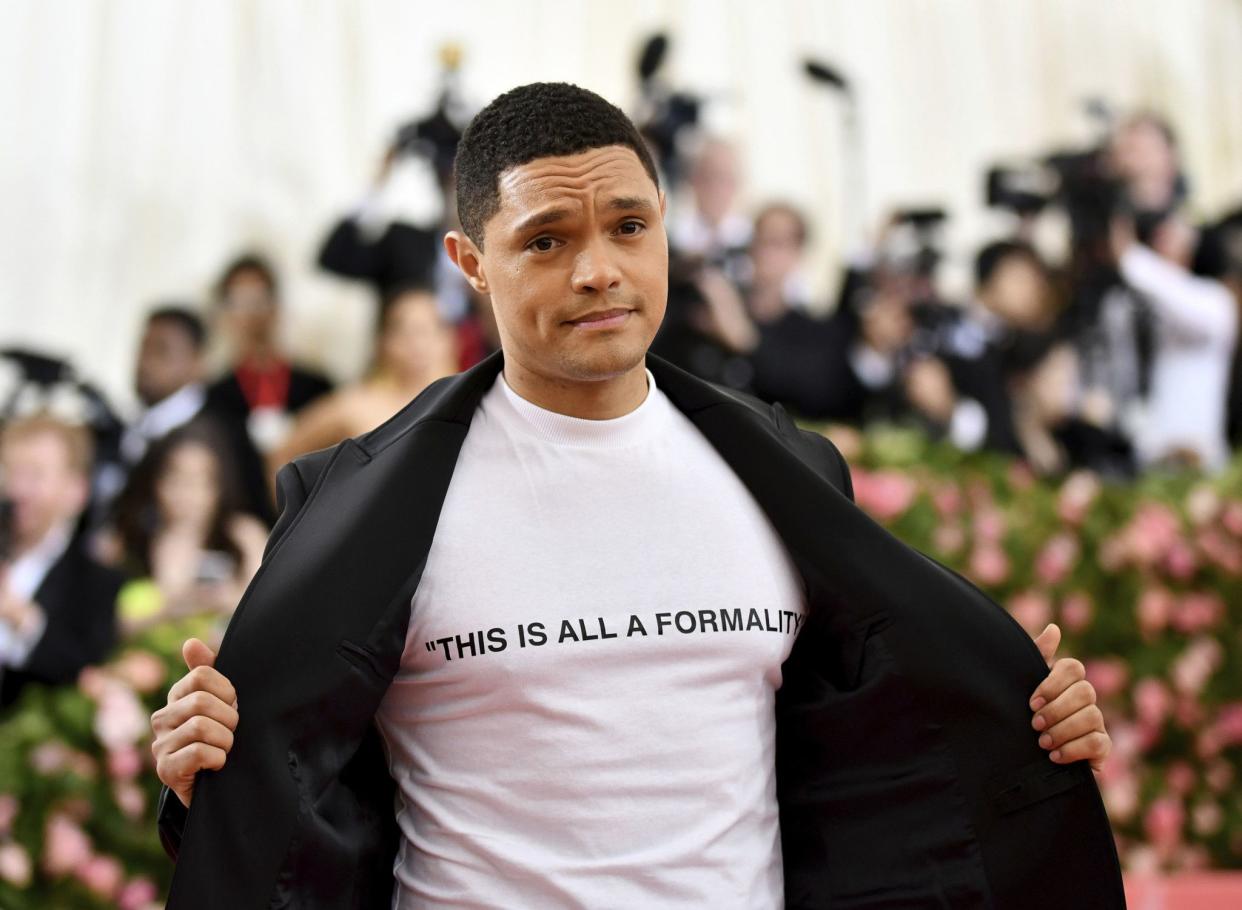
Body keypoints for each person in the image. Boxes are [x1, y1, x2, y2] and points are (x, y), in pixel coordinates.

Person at [150, 83, 1123, 909]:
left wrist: (1022, 721)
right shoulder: (354, 504)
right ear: (470, 263)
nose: (598, 270)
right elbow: (290, 781)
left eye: (628, 226)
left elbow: (883, 751)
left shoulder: (788, 472)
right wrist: (210, 769)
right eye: (546, 240)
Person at [266, 284, 458, 471]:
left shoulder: (466, 403)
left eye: (430, 330)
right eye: (406, 332)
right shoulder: (356, 406)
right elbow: (283, 453)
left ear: (449, 338)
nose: (419, 344)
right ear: (383, 341)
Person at [0, 414, 122, 707]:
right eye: (12, 473)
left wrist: (21, 617)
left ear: (75, 491)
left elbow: (84, 668)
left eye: (35, 475)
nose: (20, 491)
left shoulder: (97, 582)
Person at [106, 421, 267, 639]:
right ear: (155, 481)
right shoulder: (132, 539)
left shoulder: (243, 535)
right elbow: (106, 627)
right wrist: (172, 606)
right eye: (175, 479)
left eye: (199, 481)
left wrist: (228, 599)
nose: (186, 495)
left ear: (220, 485)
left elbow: (268, 607)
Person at [123, 307, 275, 523]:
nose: (145, 362)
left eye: (161, 351)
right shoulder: (135, 427)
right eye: (143, 348)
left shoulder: (224, 434)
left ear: (197, 362)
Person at [205, 254, 333, 455]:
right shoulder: (214, 398)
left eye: (260, 298)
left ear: (276, 306)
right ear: (225, 313)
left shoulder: (316, 387)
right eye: (239, 301)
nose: (252, 313)